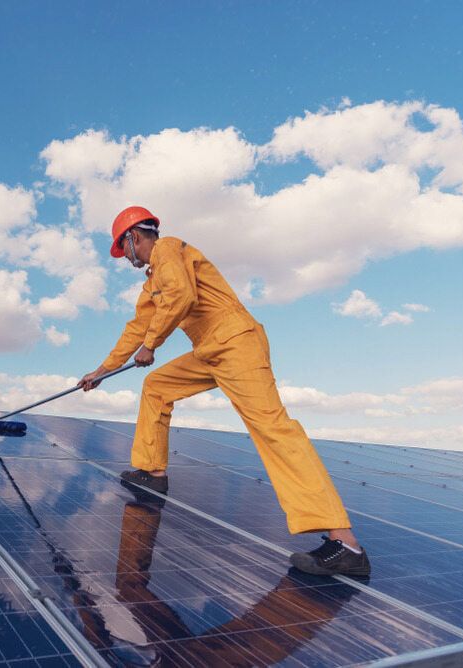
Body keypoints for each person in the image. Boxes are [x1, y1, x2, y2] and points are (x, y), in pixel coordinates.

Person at [78, 206, 370, 577]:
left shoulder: (169, 249)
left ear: (133, 238)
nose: (126, 259)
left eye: (124, 250)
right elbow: (137, 329)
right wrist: (102, 372)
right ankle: (152, 471)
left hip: (236, 342)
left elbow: (180, 296)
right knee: (156, 386)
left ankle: (346, 545)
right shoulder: (152, 283)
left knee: (273, 429)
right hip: (210, 350)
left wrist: (152, 344)